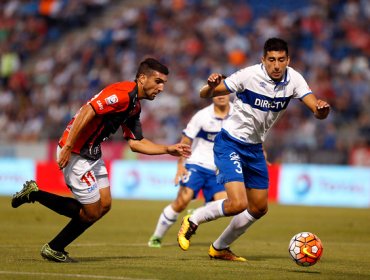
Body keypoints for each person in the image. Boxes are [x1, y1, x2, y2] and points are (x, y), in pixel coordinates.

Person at [11, 58, 191, 263]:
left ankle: (46, 223)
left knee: (104, 205)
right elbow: (88, 109)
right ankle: (46, 226)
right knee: (91, 211)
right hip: (76, 153)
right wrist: (69, 146)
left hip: (92, 153)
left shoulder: (134, 106)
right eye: (158, 81)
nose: (161, 88)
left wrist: (167, 149)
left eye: (164, 84)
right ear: (142, 78)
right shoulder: (122, 94)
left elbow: (136, 142)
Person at [177, 38, 330, 261]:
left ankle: (219, 248)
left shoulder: (294, 79)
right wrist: (210, 85)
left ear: (288, 60)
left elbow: (316, 109)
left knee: (259, 208)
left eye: (280, 60)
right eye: (271, 60)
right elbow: (204, 94)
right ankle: (194, 218)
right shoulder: (248, 75)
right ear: (263, 60)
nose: (276, 65)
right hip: (229, 142)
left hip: (255, 148)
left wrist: (322, 110)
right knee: (238, 203)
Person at [148, 95, 233, 248]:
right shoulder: (202, 116)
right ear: (212, 95)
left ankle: (193, 217)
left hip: (219, 169)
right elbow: (185, 141)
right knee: (182, 201)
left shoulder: (237, 114)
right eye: (217, 92)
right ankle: (157, 237)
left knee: (226, 204)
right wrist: (180, 165)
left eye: (224, 91)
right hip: (196, 164)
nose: (221, 95)